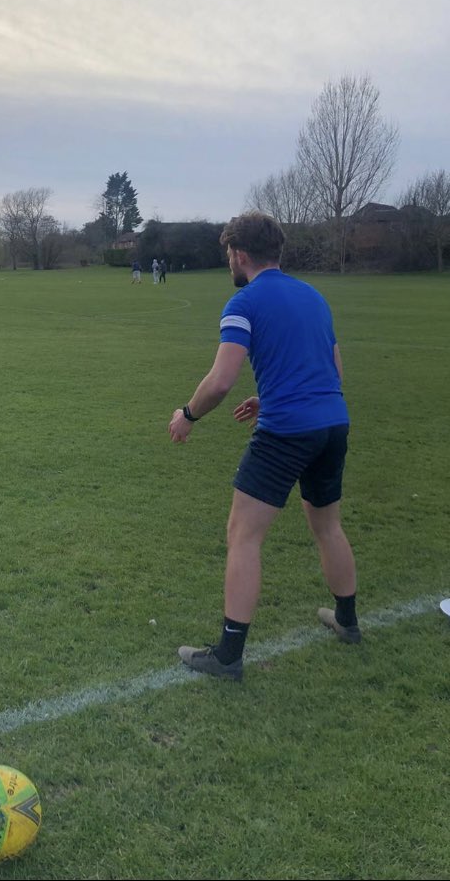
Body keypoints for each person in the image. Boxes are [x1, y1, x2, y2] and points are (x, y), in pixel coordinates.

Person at [168, 211, 358, 681]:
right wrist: (272, 393)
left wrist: (187, 415)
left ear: (240, 254)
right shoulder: (314, 297)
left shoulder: (245, 303)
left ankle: (228, 656)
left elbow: (220, 381)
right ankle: (348, 622)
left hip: (286, 431)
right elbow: (332, 373)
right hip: (332, 424)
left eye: (229, 254)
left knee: (243, 534)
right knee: (327, 526)